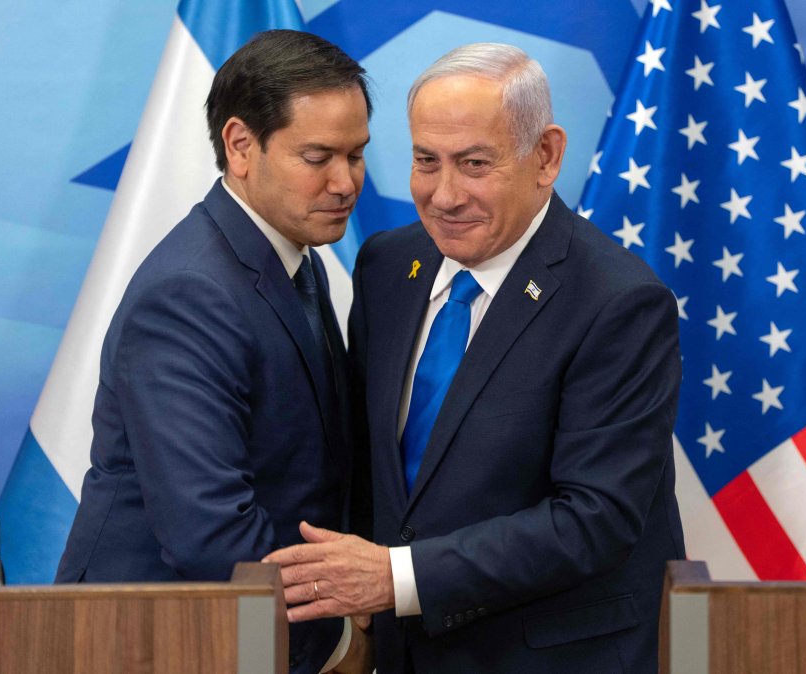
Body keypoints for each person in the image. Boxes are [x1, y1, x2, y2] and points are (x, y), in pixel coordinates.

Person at [267, 43, 685, 673]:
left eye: (474, 163)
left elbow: (595, 520)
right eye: (425, 161)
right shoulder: (387, 266)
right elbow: (371, 466)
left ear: (544, 156)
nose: (444, 195)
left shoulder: (619, 304)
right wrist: (363, 626)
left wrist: (396, 577)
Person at [55, 30, 372, 674]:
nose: (346, 182)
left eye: (357, 154)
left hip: (242, 628)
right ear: (240, 145)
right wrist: (337, 632)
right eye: (318, 157)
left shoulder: (292, 255)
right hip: (156, 639)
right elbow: (212, 537)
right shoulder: (191, 292)